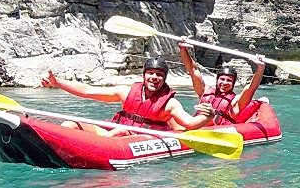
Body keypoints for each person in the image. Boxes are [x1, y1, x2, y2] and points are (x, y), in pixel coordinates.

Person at [40, 57, 214, 135]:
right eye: (151, 73)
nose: (154, 77)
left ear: (164, 78)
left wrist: (208, 116)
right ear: (144, 76)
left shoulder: (170, 104)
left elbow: (190, 124)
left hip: (140, 137)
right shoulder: (126, 92)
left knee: (122, 132)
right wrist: (57, 83)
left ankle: (104, 141)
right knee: (69, 124)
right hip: (114, 131)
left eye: (159, 74)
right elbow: (87, 91)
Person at [178, 42, 266, 126]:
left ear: (233, 84)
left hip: (219, 132)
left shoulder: (235, 101)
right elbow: (193, 70)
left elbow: (251, 88)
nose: (224, 83)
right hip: (196, 128)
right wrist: (183, 49)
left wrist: (260, 67)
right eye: (222, 79)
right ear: (217, 80)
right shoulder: (205, 91)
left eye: (229, 80)